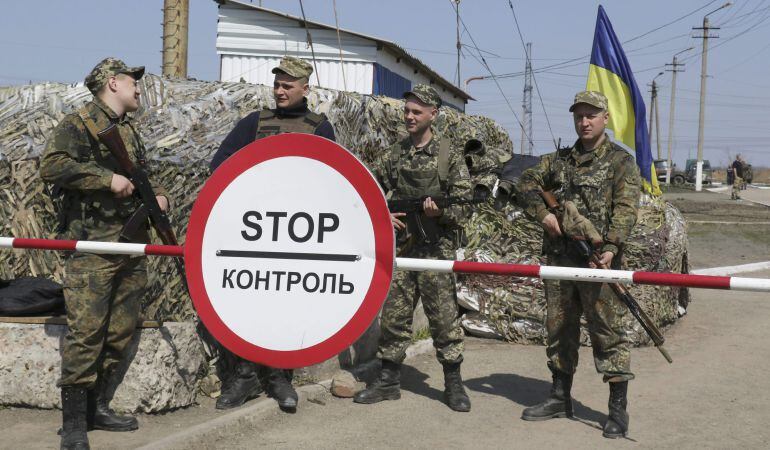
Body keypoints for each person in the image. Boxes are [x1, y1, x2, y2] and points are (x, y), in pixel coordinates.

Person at [40, 57, 170, 450]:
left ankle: (98, 407)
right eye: (133, 81)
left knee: (119, 331)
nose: (138, 87)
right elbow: (51, 166)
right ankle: (74, 424)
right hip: (92, 246)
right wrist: (105, 179)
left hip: (129, 246)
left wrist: (158, 196)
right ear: (112, 83)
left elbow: (140, 174)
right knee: (86, 334)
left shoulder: (128, 130)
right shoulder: (79, 123)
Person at [208, 56, 335, 412]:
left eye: (287, 86)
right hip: (254, 230)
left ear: (305, 89)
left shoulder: (320, 127)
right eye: (277, 85)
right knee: (248, 303)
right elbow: (221, 164)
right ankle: (246, 374)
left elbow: (330, 181)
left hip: (295, 235)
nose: (279, 91)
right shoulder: (254, 123)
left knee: (286, 303)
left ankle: (280, 376)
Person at [516, 91, 641, 438]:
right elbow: (524, 182)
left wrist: (612, 246)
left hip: (599, 259)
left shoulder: (620, 161)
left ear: (605, 118)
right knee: (559, 328)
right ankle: (559, 397)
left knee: (607, 332)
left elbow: (627, 208)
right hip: (560, 261)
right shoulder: (559, 161)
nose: (584, 122)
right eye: (579, 116)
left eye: (591, 115)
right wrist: (543, 215)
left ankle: (617, 410)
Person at [353, 84, 473, 412]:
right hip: (404, 252)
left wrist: (441, 212)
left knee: (445, 321)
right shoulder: (396, 154)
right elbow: (370, 188)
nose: (409, 116)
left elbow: (465, 206)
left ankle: (453, 384)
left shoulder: (448, 155)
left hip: (437, 254)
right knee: (393, 318)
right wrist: (383, 213)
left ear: (433, 115)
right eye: (406, 110)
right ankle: (389, 380)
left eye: (416, 112)